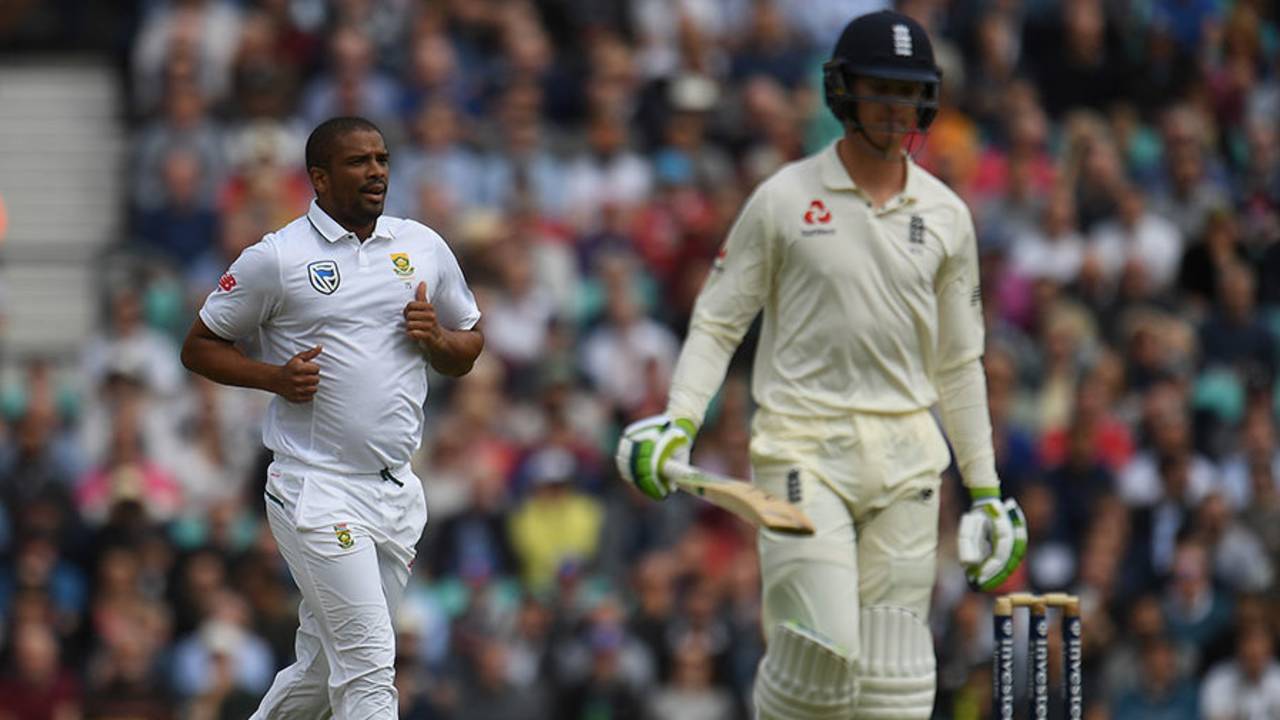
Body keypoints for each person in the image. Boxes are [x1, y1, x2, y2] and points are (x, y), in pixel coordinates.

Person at [616, 12, 1026, 719]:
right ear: (844, 92)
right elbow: (718, 319)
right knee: (820, 659)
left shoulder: (948, 217)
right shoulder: (783, 199)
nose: (896, 109)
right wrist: (679, 421)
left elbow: (961, 364)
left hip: (908, 461)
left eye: (910, 93)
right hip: (803, 449)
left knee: (894, 689)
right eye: (881, 90)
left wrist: (987, 490)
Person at [180, 116, 483, 719]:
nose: (376, 171)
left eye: (382, 159)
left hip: (395, 491)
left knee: (323, 671)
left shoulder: (420, 245)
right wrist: (274, 378)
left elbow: (469, 344)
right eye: (358, 162)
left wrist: (438, 342)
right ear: (318, 178)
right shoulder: (279, 257)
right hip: (316, 488)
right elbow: (198, 346)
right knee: (370, 665)